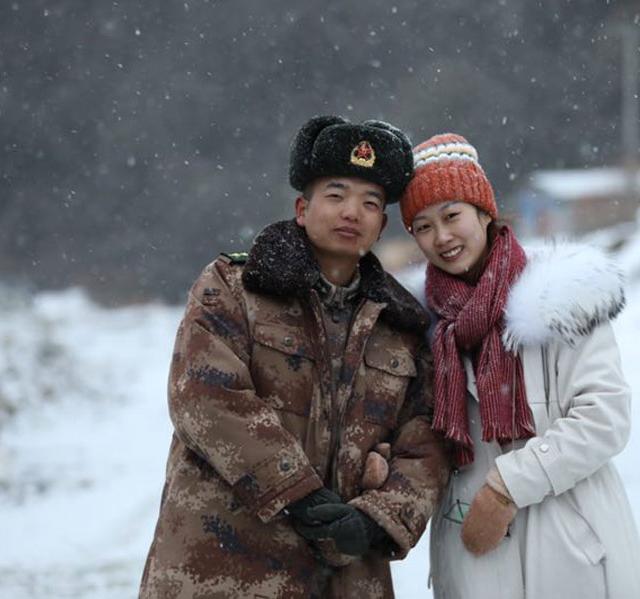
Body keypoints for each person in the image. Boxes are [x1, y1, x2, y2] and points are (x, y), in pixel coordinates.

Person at [138, 116, 450, 599]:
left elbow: (426, 441)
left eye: (370, 203)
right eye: (336, 195)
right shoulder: (234, 287)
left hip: (344, 577)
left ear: (383, 225)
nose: (352, 212)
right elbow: (204, 397)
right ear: (302, 209)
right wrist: (299, 493)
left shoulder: (402, 326)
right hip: (222, 568)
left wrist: (375, 521)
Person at [398, 133, 640, 598]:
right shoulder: (422, 325)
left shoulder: (560, 299)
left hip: (569, 536)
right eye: (423, 226)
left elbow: (604, 417)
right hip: (471, 545)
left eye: (452, 216)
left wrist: (507, 487)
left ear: (484, 212)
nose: (442, 237)